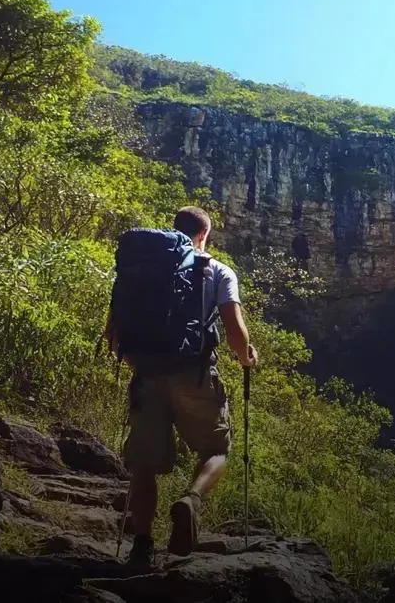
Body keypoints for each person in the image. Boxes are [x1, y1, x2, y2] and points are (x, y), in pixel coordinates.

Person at [104, 206, 258, 566]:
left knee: (144, 464)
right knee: (217, 448)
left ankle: (141, 545)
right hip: (195, 375)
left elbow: (113, 334)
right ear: (203, 235)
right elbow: (234, 329)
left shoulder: (139, 270)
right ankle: (191, 500)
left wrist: (139, 362)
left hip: (146, 374)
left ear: (175, 230)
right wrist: (247, 357)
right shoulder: (215, 269)